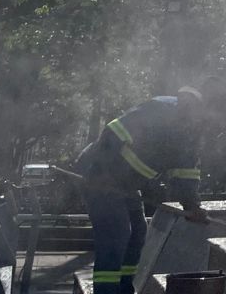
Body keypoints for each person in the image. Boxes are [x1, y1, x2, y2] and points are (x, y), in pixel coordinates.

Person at [74, 87, 210, 294]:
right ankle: (106, 291)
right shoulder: (158, 110)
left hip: (125, 185)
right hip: (99, 173)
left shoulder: (190, 137)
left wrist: (193, 207)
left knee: (138, 232)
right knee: (117, 233)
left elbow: (185, 179)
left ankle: (124, 288)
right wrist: (100, 173)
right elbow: (113, 132)